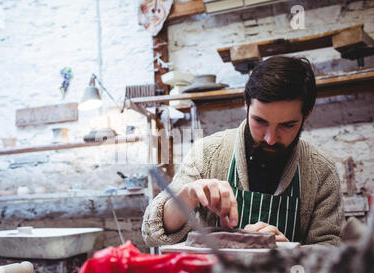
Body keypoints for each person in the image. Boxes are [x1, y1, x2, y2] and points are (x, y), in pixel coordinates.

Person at [142, 56, 344, 247]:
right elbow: (151, 234)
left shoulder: (321, 172)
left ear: (306, 115)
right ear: (246, 105)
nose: (270, 138)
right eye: (260, 121)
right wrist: (186, 197)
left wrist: (290, 251)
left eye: (287, 125)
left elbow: (331, 252)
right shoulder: (208, 154)